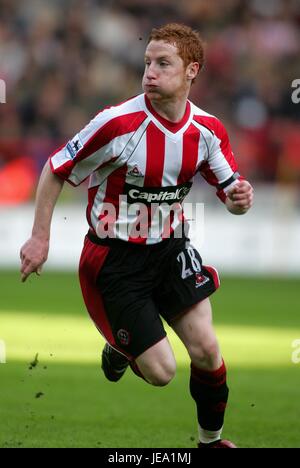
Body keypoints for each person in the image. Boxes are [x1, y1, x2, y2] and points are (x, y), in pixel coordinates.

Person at [20, 23, 253, 448]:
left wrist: (239, 198)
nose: (150, 72)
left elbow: (231, 192)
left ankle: (210, 441)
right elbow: (55, 168)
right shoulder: (116, 123)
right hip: (115, 263)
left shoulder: (208, 130)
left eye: (163, 64)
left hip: (170, 249)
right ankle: (122, 350)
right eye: (147, 62)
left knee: (207, 349)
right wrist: (40, 238)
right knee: (162, 373)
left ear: (191, 71)